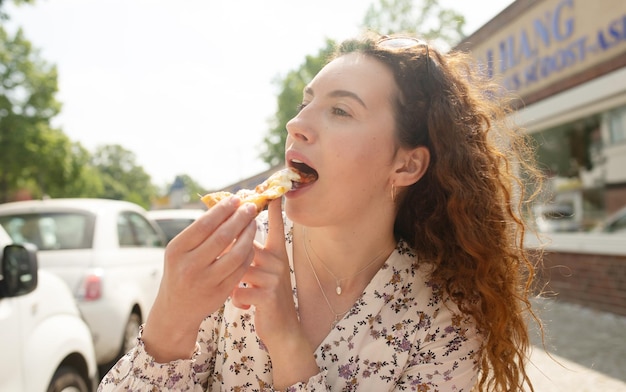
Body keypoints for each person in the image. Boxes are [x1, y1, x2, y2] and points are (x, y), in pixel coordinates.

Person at [99, 33, 541, 391]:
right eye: (305, 103)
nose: (296, 124)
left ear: (406, 164)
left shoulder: (444, 320)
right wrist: (169, 323)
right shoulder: (233, 259)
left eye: (340, 110)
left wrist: (289, 345)